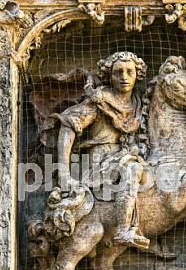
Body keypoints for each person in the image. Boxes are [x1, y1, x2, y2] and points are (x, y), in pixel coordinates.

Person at [52, 51, 150, 250]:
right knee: (133, 169)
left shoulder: (138, 103)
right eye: (118, 72)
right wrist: (64, 173)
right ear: (109, 75)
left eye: (129, 72)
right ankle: (123, 230)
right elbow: (68, 125)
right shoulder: (100, 100)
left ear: (137, 74)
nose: (124, 77)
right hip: (99, 164)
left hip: (125, 157)